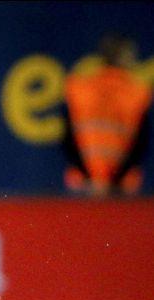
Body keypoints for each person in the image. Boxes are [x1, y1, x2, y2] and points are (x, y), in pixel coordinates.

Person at [63, 32, 152, 197]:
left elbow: (68, 137)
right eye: (131, 55)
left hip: (84, 183)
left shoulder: (79, 87)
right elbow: (140, 143)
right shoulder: (137, 93)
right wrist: (113, 180)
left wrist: (92, 178)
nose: (134, 59)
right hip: (121, 185)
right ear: (122, 57)